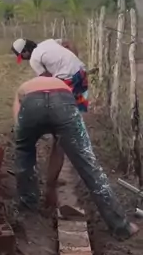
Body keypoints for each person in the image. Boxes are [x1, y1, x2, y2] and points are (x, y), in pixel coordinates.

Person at [12, 75, 137, 239]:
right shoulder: (60, 85)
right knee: (88, 163)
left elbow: (18, 128)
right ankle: (121, 226)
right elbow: (60, 147)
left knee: (24, 153)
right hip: (62, 101)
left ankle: (29, 216)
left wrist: (50, 186)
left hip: (31, 103)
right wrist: (50, 187)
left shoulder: (23, 90)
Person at [11, 37, 88, 194]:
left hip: (67, 82)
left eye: (21, 56)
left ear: (25, 51)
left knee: (60, 132)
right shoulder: (49, 42)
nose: (23, 59)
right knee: (74, 121)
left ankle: (50, 186)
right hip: (81, 75)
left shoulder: (34, 59)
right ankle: (72, 133)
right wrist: (72, 60)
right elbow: (68, 42)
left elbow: (47, 82)